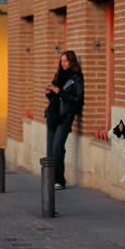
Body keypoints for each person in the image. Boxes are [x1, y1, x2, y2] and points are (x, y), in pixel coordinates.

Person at [44, 51, 84, 190]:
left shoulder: (77, 78)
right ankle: (49, 179)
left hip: (65, 116)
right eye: (61, 61)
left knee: (57, 148)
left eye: (66, 61)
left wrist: (60, 92)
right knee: (49, 150)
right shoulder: (58, 75)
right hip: (53, 116)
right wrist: (50, 93)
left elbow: (78, 100)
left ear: (72, 62)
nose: (63, 64)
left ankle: (60, 180)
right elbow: (56, 99)